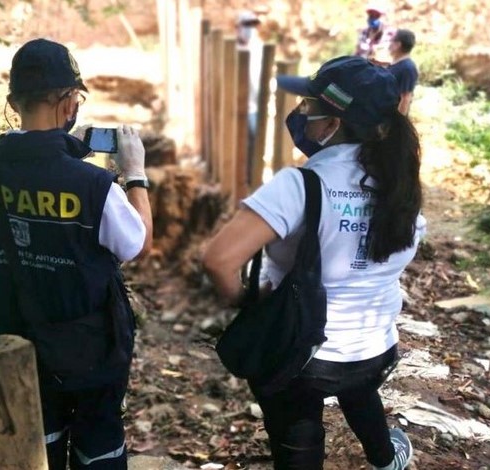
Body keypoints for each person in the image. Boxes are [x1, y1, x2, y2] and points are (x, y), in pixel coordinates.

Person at [203, 56, 425, 470]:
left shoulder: (299, 185)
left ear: (333, 123)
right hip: (374, 349)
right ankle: (386, 458)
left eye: (309, 106)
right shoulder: (402, 186)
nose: (302, 114)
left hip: (303, 356)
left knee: (298, 430)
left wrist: (246, 300)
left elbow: (218, 260)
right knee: (357, 386)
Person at [0, 38, 153, 469]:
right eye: (76, 98)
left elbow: (11, 196)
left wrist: (65, 151)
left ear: (14, 102)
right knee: (97, 446)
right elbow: (137, 243)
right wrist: (135, 174)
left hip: (14, 344)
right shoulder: (93, 186)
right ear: (67, 103)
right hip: (88, 352)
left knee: (35, 444)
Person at [236, 10, 264, 167]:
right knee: (240, 143)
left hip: (255, 105)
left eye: (252, 25)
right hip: (238, 106)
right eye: (246, 25)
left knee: (254, 141)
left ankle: (251, 177)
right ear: (238, 27)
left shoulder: (259, 48)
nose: (249, 29)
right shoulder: (234, 50)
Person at [387, 29, 418, 115]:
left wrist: (397, 122)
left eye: (391, 41)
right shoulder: (395, 64)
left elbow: (406, 98)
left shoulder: (408, 68)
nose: (389, 44)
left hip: (391, 119)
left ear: (398, 45)